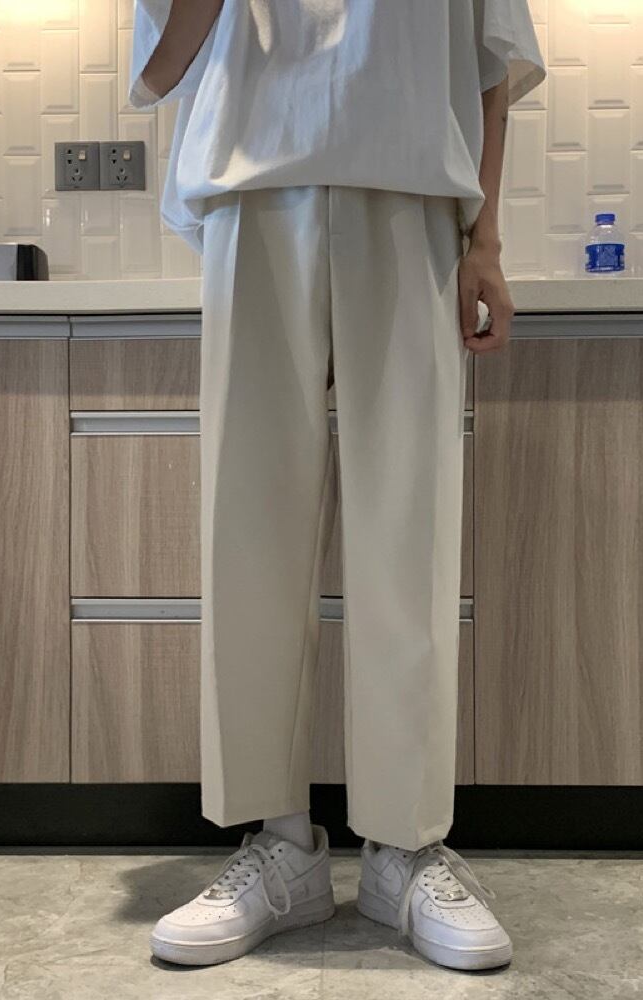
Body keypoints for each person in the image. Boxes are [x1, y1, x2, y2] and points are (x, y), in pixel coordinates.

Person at [129, 0, 545, 973]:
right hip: (251, 189)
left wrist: (485, 242)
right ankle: (279, 843)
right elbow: (162, 65)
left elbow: (490, 59)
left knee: (409, 531)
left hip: (412, 194)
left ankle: (405, 849)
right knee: (248, 531)